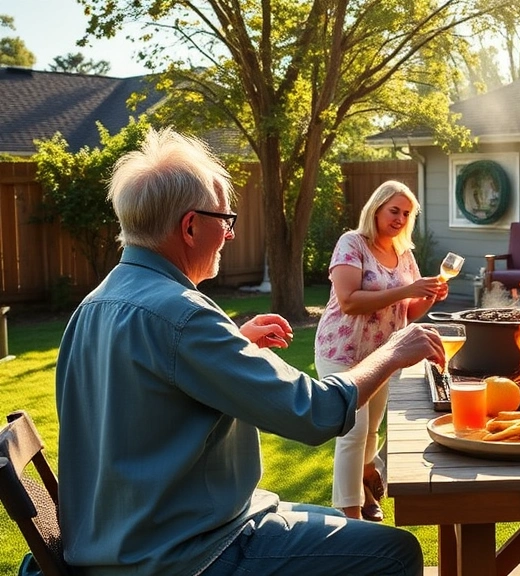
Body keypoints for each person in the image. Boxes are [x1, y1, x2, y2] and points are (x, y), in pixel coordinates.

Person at [54, 128, 443, 576]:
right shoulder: (182, 316)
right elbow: (314, 413)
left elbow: (147, 392)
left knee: (339, 521)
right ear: (190, 225)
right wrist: (393, 350)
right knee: (397, 552)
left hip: (118, 541)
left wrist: (234, 345)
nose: (230, 235)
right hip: (184, 552)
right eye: (225, 220)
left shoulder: (93, 305)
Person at [314, 180, 447, 522]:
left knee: (372, 430)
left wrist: (427, 295)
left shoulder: (404, 254)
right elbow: (348, 302)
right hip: (341, 351)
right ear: (376, 208)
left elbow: (409, 310)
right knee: (353, 432)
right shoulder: (352, 243)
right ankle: (350, 512)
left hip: (384, 354)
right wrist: (409, 289)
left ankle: (367, 481)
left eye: (406, 213)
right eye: (394, 210)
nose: (400, 218)